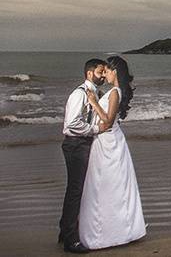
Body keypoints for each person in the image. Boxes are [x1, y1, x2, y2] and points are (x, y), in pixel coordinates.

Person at [79, 55, 147, 250]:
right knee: (110, 185)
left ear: (114, 71)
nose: (105, 75)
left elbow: (107, 122)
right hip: (109, 141)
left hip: (108, 141)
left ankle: (109, 232)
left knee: (105, 184)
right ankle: (118, 229)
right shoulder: (115, 91)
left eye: (107, 71)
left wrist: (93, 102)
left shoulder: (115, 92)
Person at [59, 58, 106, 254]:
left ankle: (64, 231)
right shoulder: (79, 94)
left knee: (78, 189)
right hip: (75, 145)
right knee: (76, 190)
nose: (103, 75)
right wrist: (95, 129)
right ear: (89, 73)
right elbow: (71, 124)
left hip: (83, 143)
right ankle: (71, 240)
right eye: (100, 72)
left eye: (104, 72)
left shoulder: (96, 93)